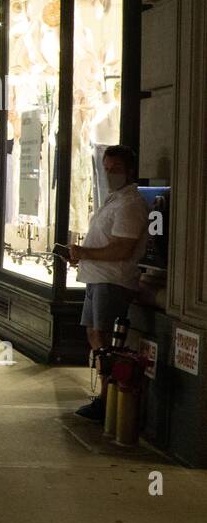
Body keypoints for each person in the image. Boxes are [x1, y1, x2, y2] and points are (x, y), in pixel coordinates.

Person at [67, 144, 148, 421]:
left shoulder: (130, 204)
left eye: (117, 169)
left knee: (106, 341)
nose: (111, 174)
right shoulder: (113, 199)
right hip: (96, 278)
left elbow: (122, 249)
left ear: (130, 171)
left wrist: (85, 253)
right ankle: (104, 396)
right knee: (95, 335)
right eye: (107, 169)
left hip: (112, 281)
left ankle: (108, 398)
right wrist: (81, 256)